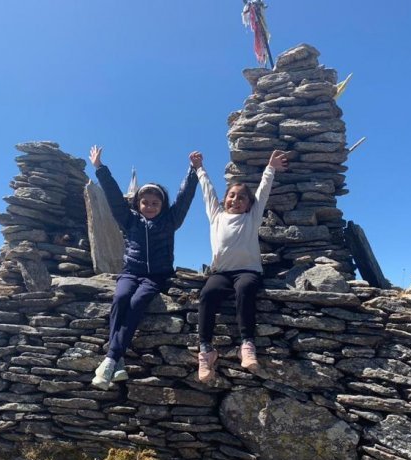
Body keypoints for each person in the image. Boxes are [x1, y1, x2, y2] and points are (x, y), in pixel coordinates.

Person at [89, 145, 200, 390]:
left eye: (155, 202)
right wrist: (100, 169)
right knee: (120, 298)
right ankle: (116, 362)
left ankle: (110, 358)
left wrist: (193, 171)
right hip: (131, 271)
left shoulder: (170, 221)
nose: (149, 206)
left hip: (157, 276)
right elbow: (114, 198)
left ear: (162, 205)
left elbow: (184, 199)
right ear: (137, 203)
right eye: (144, 202)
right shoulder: (129, 220)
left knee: (138, 302)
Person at [194, 149, 288, 382]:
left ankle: (246, 345)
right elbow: (207, 190)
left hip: (248, 272)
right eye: (232, 196)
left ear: (248, 205)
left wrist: (270, 168)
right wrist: (199, 169)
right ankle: (206, 350)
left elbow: (263, 192)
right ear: (224, 199)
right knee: (207, 293)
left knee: (245, 289)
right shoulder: (216, 215)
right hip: (222, 273)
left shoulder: (251, 218)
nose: (236, 200)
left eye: (242, 197)